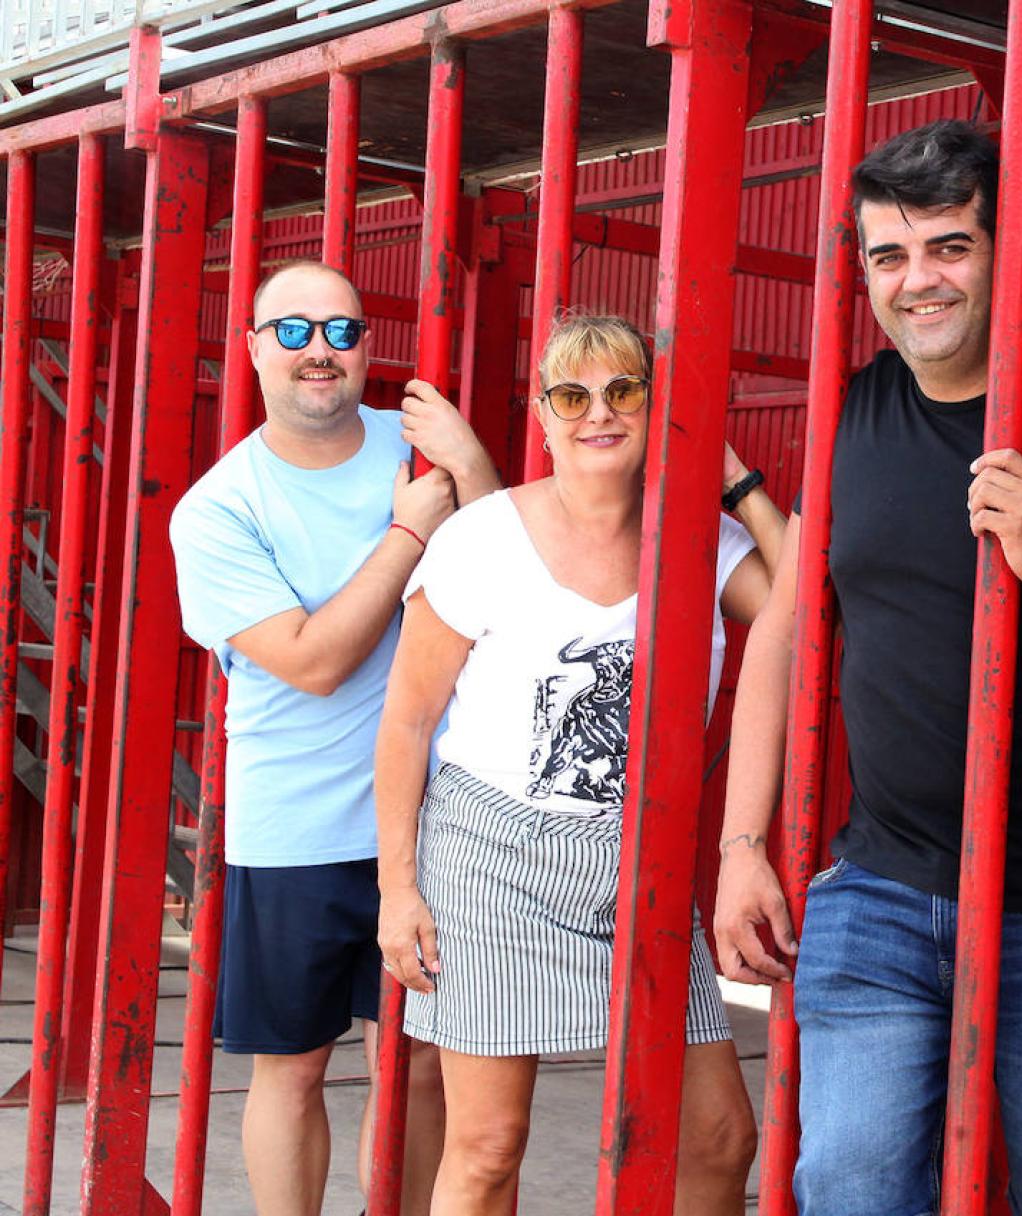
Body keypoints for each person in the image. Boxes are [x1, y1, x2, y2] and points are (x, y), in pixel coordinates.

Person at [712, 119, 1022, 1215]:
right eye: (890, 255)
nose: (918, 280)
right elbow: (785, 631)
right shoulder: (855, 412)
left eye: (949, 246)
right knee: (848, 1185)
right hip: (883, 890)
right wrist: (745, 845)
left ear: (1004, 250)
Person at [373, 312, 781, 1215]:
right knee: (486, 1146)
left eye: (625, 390)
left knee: (719, 1136)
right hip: (494, 858)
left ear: (654, 404)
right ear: (543, 417)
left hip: (642, 865)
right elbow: (405, 723)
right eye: (573, 395)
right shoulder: (480, 538)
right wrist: (398, 890)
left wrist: (737, 480)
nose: (600, 412)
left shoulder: (703, 544)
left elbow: (808, 613)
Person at [170, 260, 498, 1216]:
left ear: (367, 349)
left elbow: (516, 572)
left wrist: (471, 462)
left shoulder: (420, 447)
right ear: (255, 350)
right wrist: (404, 534)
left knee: (423, 1070)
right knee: (293, 1069)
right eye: (296, 331)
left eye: (345, 331)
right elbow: (313, 661)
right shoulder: (220, 506)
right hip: (297, 832)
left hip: (435, 821)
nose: (322, 350)